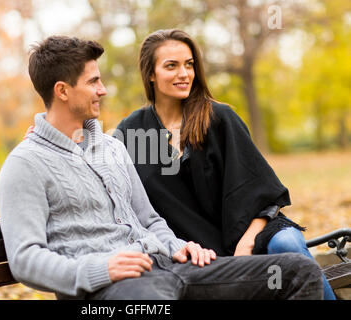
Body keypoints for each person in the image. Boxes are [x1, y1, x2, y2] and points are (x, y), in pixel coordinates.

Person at [0, 35, 324, 300]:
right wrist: (101, 269)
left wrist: (180, 246)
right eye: (94, 81)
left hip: (171, 268)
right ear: (63, 91)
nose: (103, 89)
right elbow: (25, 259)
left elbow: (149, 219)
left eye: (188, 65)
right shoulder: (25, 164)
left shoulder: (112, 148)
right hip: (114, 291)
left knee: (298, 272)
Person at [113, 29, 335, 300]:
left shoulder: (219, 118)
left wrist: (247, 242)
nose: (184, 73)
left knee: (287, 243)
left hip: (253, 231)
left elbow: (264, 194)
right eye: (171, 65)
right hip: (193, 251)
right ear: (151, 73)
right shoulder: (130, 133)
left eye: (189, 64)